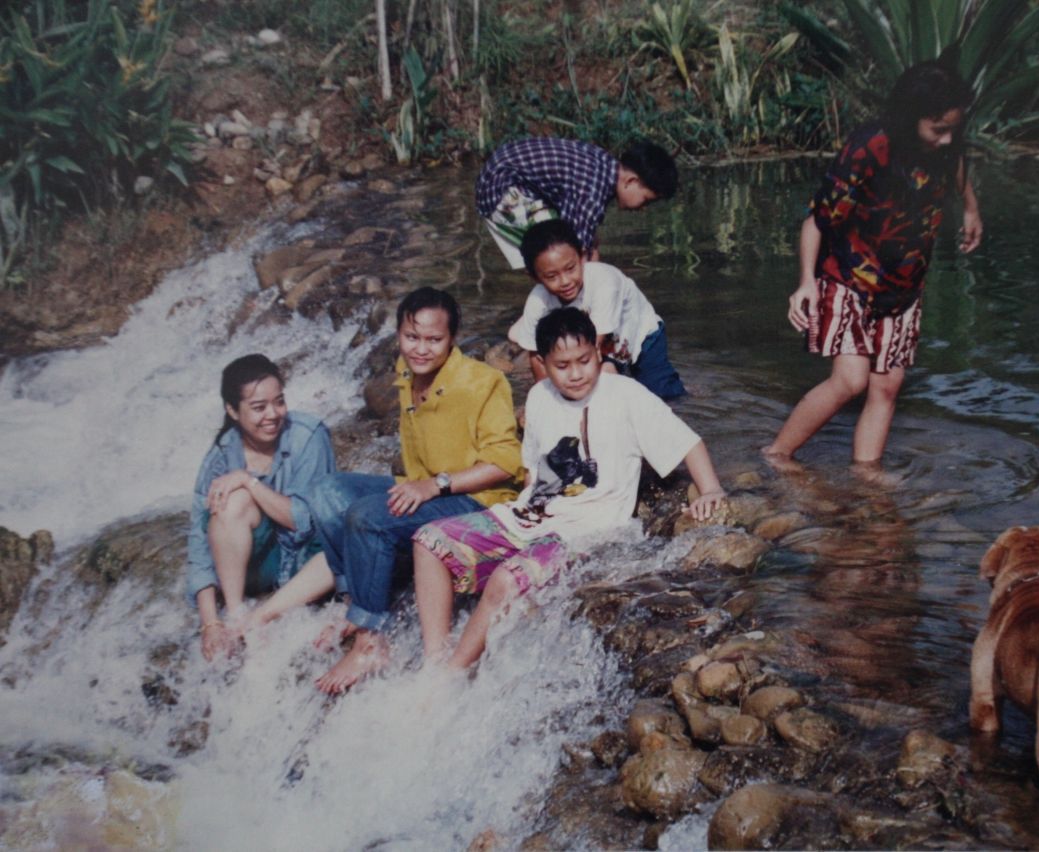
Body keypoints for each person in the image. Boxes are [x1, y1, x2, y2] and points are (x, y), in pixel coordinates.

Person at [409, 307, 725, 672]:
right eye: (562, 365)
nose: (576, 374)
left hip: (587, 531)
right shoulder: (541, 396)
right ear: (542, 363)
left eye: (584, 360)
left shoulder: (625, 395)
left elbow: (687, 443)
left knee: (507, 579)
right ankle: (435, 657)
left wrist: (711, 489)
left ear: (598, 352)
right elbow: (533, 472)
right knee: (428, 541)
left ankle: (452, 674)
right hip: (530, 517)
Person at [246, 288, 524, 693]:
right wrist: (422, 485)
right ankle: (353, 603)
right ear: (398, 334)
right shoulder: (406, 371)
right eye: (412, 337)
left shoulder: (483, 382)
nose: (421, 349)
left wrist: (435, 484)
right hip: (422, 487)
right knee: (328, 492)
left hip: (473, 500)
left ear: (453, 339)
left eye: (434, 340)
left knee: (369, 517)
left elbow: (504, 463)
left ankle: (369, 641)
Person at [762, 60, 983, 473]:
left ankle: (866, 479)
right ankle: (776, 456)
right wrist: (806, 282)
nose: (947, 138)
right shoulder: (870, 147)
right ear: (911, 117)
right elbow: (818, 217)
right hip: (850, 275)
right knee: (851, 381)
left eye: (954, 129)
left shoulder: (946, 145)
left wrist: (971, 207)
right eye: (938, 129)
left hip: (905, 284)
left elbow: (957, 162)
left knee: (888, 384)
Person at [186, 354, 336, 661]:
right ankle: (236, 611)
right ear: (232, 411)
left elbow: (304, 520)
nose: (273, 414)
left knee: (346, 545)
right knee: (229, 502)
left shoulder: (308, 436)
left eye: (279, 402)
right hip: (256, 565)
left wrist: (248, 481)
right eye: (259, 407)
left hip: (309, 563)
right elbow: (199, 545)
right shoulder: (221, 453)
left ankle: (256, 618)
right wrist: (210, 623)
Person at [507, 219, 685, 400]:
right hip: (594, 346)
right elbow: (537, 355)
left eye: (570, 268)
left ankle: (685, 396)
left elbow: (594, 348)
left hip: (639, 335)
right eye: (552, 276)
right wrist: (545, 399)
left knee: (661, 392)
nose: (565, 281)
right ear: (534, 276)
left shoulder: (605, 283)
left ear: (582, 257)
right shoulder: (537, 302)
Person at [475, 137, 678, 268]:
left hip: (507, 178)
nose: (643, 209)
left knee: (580, 253)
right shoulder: (592, 192)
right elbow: (575, 246)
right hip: (501, 188)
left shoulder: (604, 165)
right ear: (631, 181)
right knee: (565, 259)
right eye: (646, 200)